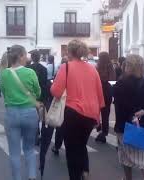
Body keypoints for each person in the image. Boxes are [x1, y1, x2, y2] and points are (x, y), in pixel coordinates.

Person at [51, 40, 105, 180]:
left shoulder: (66, 67)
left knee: (71, 149)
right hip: (91, 114)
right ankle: (84, 171)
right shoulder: (92, 69)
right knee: (81, 144)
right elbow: (100, 94)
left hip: (72, 112)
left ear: (69, 52)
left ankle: (76, 176)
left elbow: (56, 92)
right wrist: (98, 117)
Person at [0, 45, 41, 180]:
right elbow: (38, 92)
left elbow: (4, 93)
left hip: (11, 113)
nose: (27, 58)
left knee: (14, 152)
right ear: (21, 56)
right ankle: (32, 176)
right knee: (29, 148)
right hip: (29, 113)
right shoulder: (30, 73)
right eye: (25, 55)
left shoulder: (4, 74)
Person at [113, 54, 144, 180]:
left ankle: (128, 178)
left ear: (128, 67)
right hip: (142, 127)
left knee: (125, 157)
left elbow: (118, 106)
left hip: (124, 127)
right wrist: (143, 111)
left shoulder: (120, 85)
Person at [95, 52, 116, 143]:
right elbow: (113, 79)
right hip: (107, 91)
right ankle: (104, 132)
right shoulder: (111, 67)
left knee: (96, 111)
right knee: (106, 113)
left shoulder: (97, 67)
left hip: (98, 91)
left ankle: (98, 126)